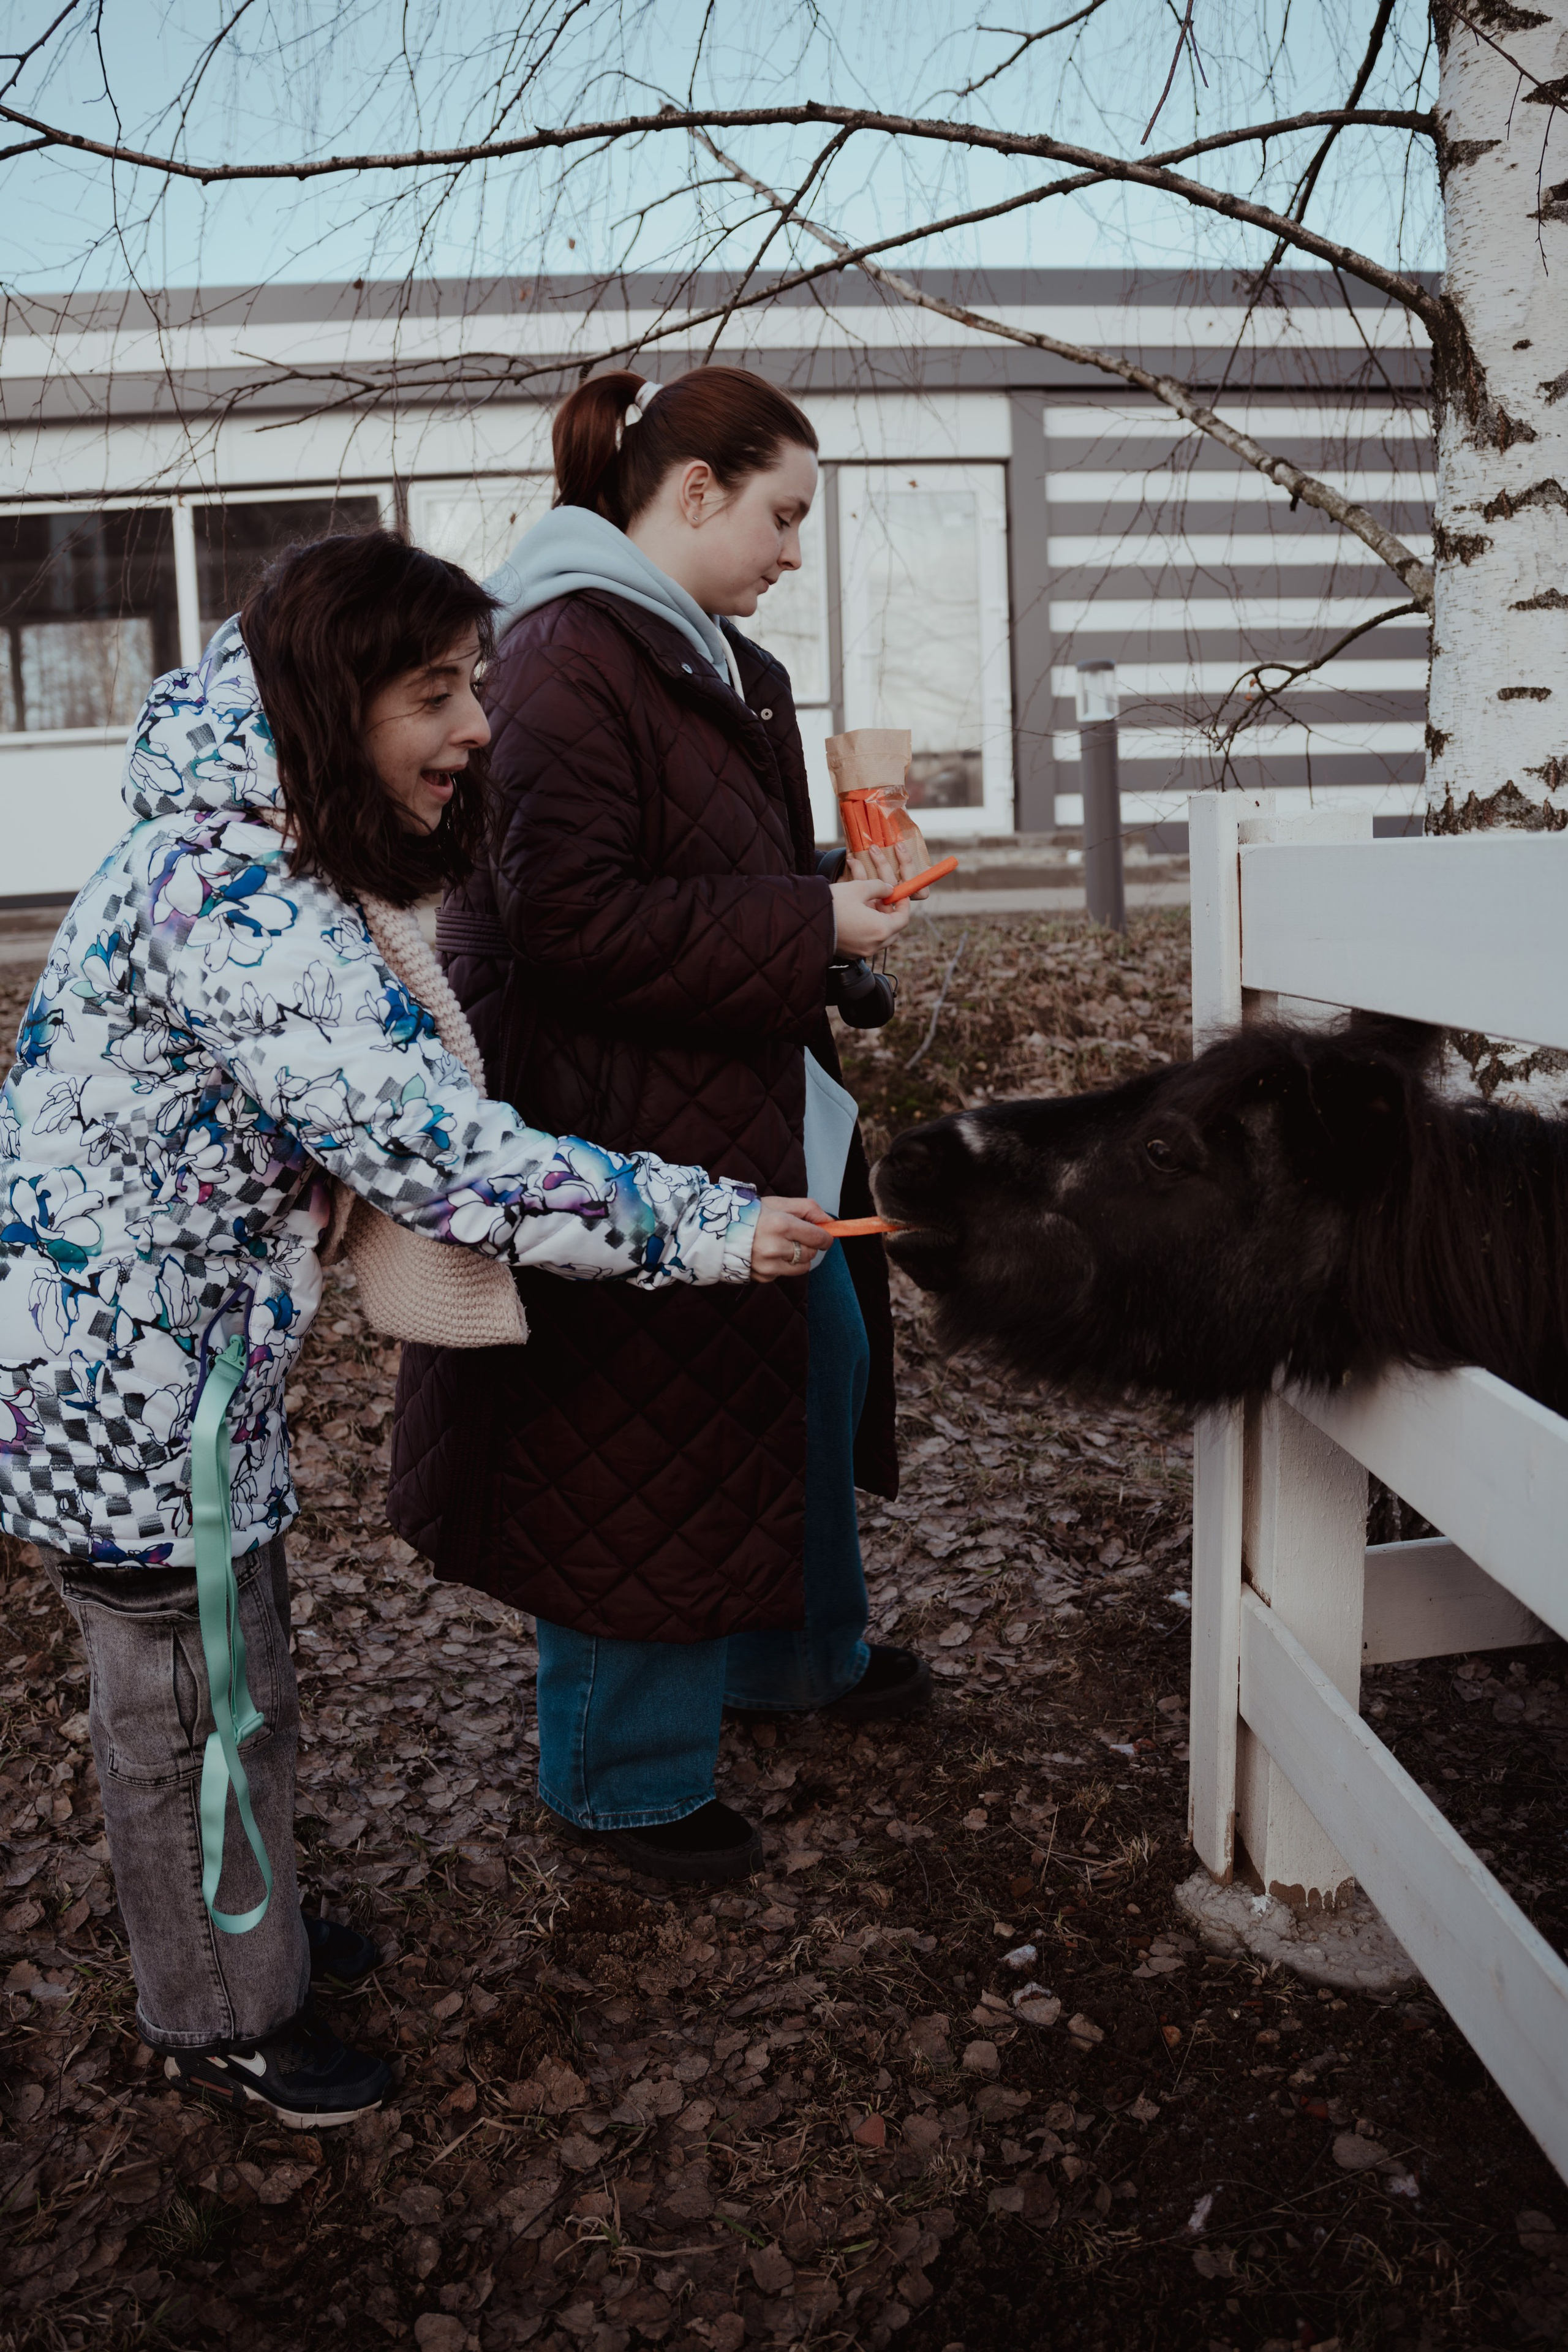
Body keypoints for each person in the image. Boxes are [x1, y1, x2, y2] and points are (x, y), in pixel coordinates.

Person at [0, 529, 827, 2128]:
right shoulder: (240, 902)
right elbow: (441, 1158)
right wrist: (701, 1222)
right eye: (435, 693)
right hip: (126, 1391)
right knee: (194, 1711)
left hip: (163, 1362)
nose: (476, 726)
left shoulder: (243, 843)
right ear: (335, 701)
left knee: (232, 1679)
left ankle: (244, 1930)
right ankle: (224, 2010)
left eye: (475, 685)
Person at [389, 366, 931, 1887]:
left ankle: (789, 1657)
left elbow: (697, 876)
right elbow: (567, 918)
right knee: (636, 1431)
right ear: (693, 490)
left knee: (815, 1360)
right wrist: (806, 920)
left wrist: (832, 918)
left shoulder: (713, 657)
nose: (793, 551)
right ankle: (621, 1783)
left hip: (736, 1105)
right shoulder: (562, 653)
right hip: (607, 1122)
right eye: (781, 514)